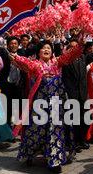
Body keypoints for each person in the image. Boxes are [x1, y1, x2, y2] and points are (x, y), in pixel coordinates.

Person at [10, 41, 83, 173]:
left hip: (56, 105)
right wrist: (13, 55)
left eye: (49, 48)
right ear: (38, 52)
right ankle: (29, 154)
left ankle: (55, 161)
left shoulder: (57, 62)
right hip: (39, 106)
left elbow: (71, 55)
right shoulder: (35, 64)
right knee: (35, 130)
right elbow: (22, 62)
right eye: (43, 48)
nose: (46, 50)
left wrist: (80, 44)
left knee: (55, 130)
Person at [62, 38, 93, 152]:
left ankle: (81, 140)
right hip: (71, 95)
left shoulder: (83, 58)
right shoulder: (65, 61)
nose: (75, 49)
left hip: (83, 95)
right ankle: (74, 142)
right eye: (72, 48)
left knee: (86, 118)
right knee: (74, 120)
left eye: (77, 47)